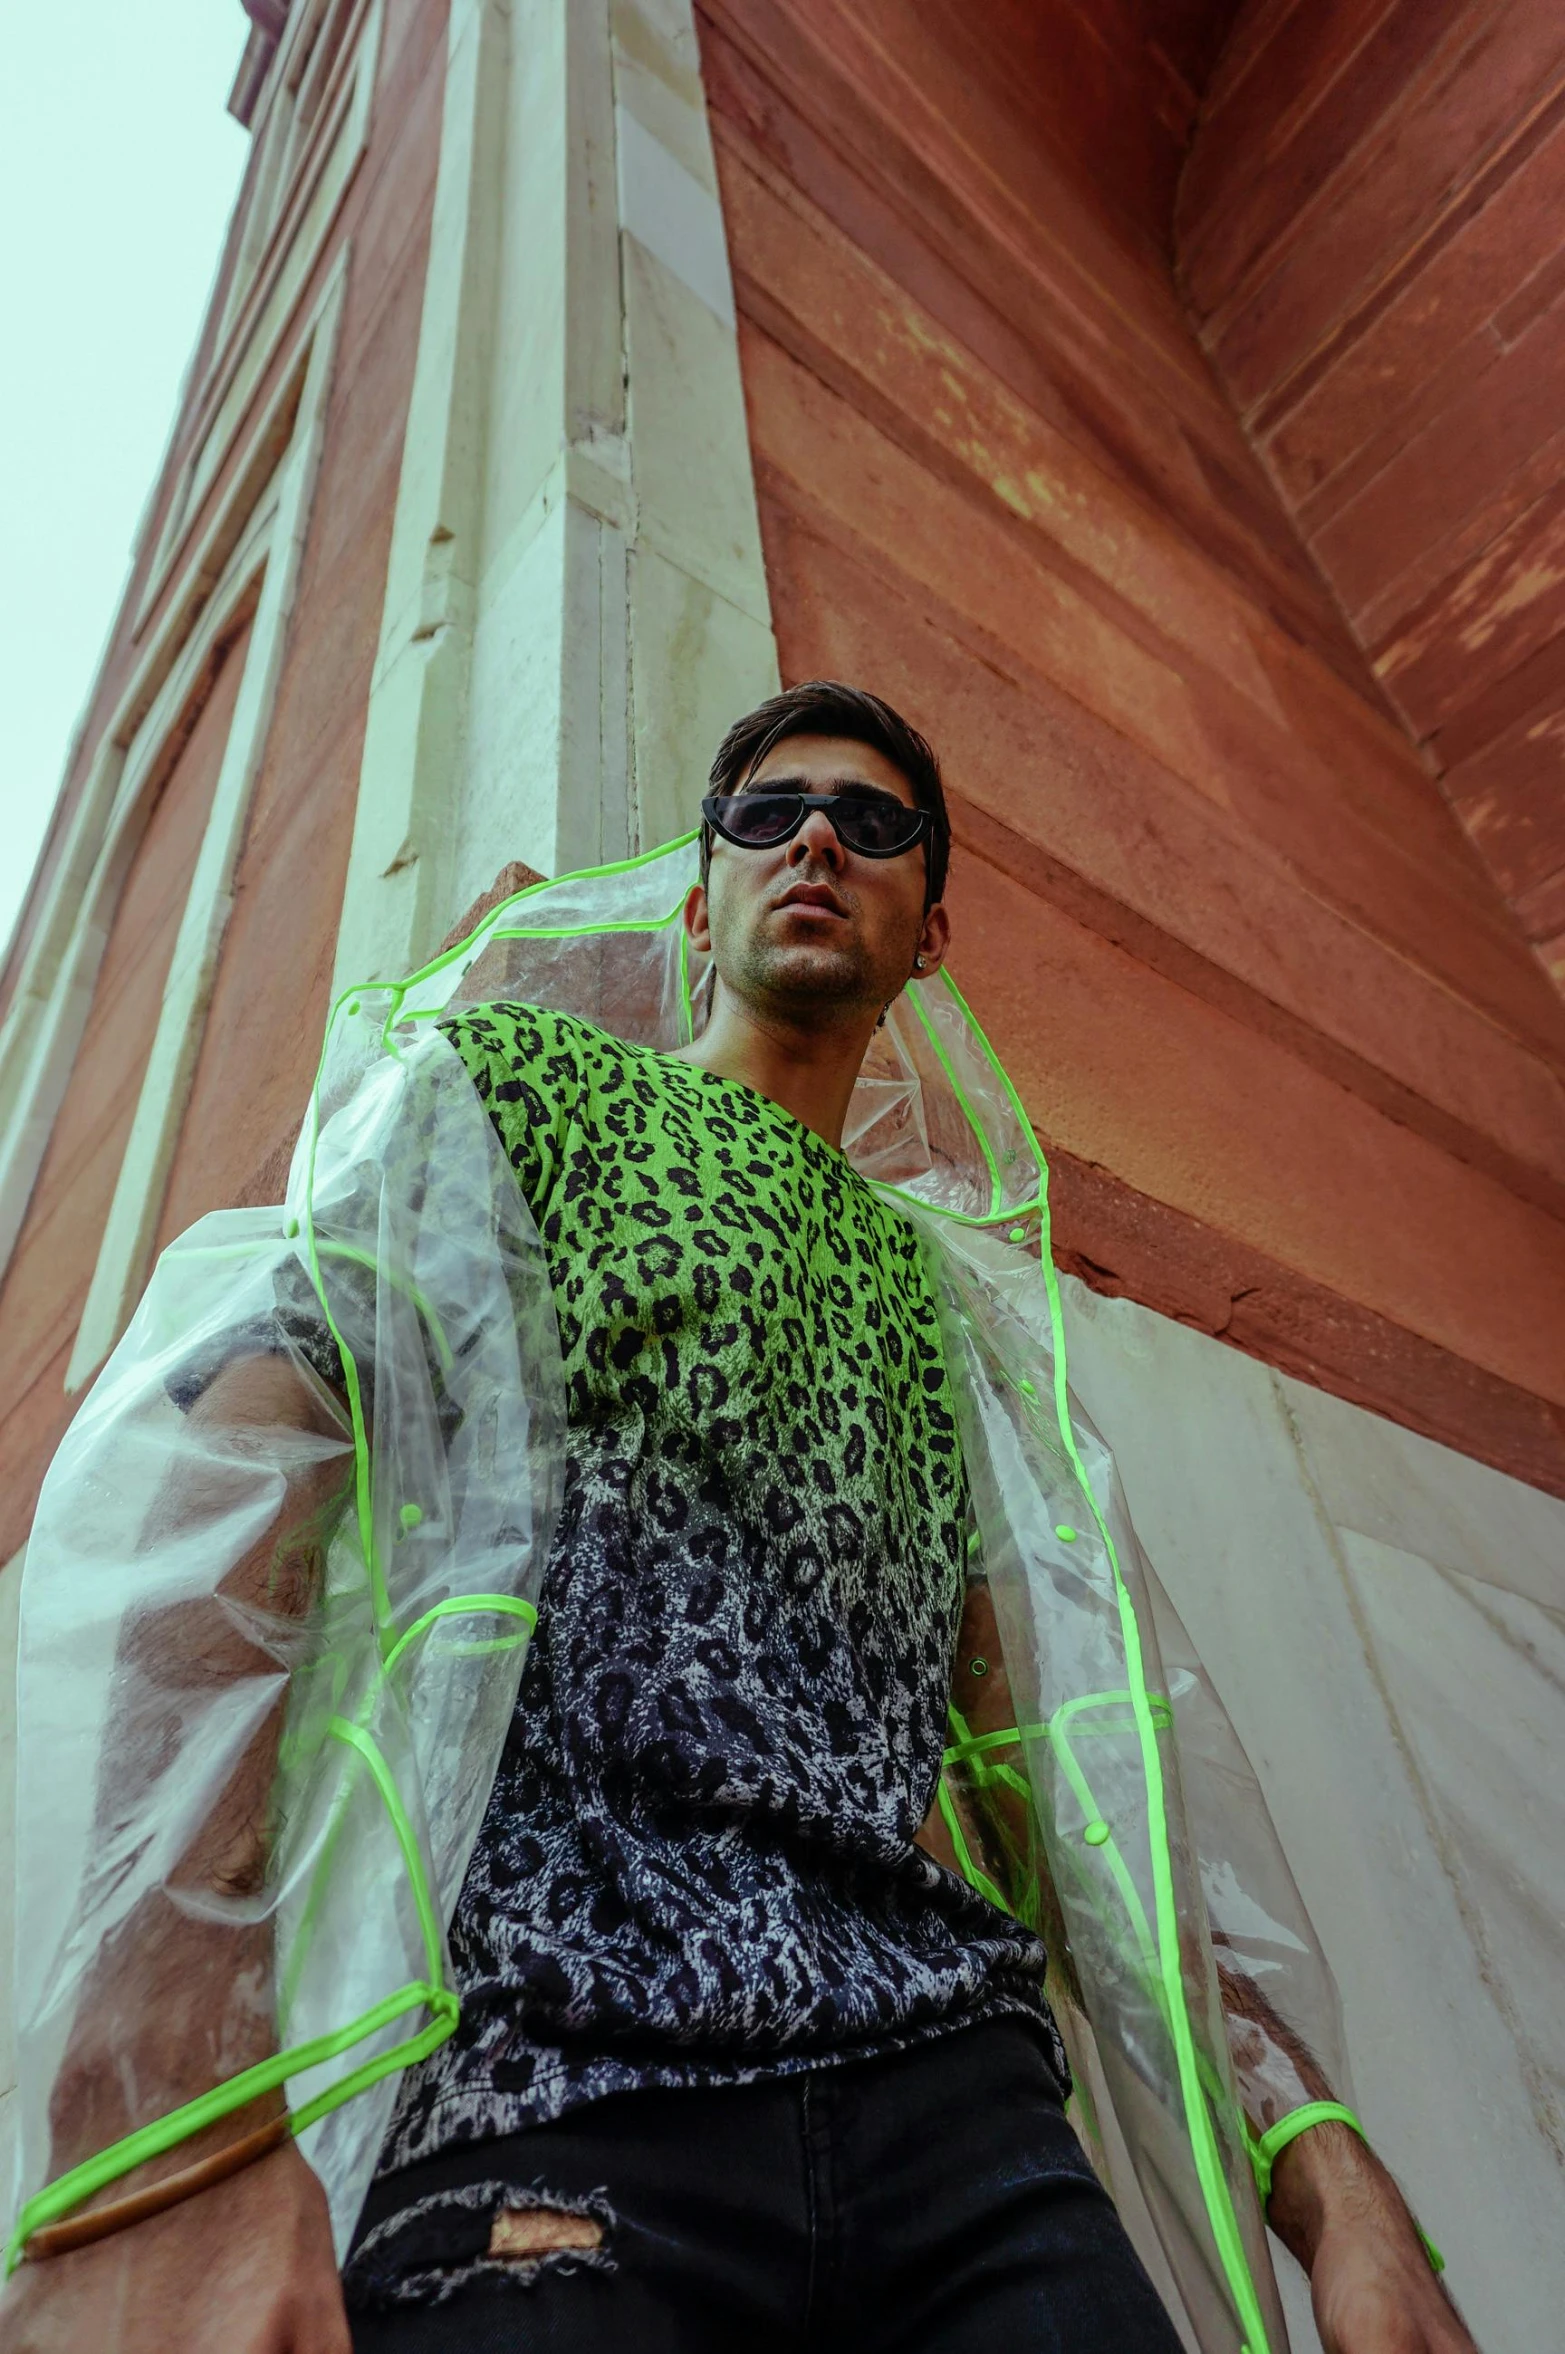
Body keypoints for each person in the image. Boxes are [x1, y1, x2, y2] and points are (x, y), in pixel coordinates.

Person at [1, 684, 1477, 2354]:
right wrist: (158, 2101)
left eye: (875, 818)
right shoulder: (519, 1089)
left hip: (965, 2126)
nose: (821, 837)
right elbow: (243, 1445)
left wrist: (1331, 2176)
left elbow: (1078, 1789)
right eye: (769, 814)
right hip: (556, 2083)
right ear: (701, 904)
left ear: (932, 933)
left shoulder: (947, 1319)